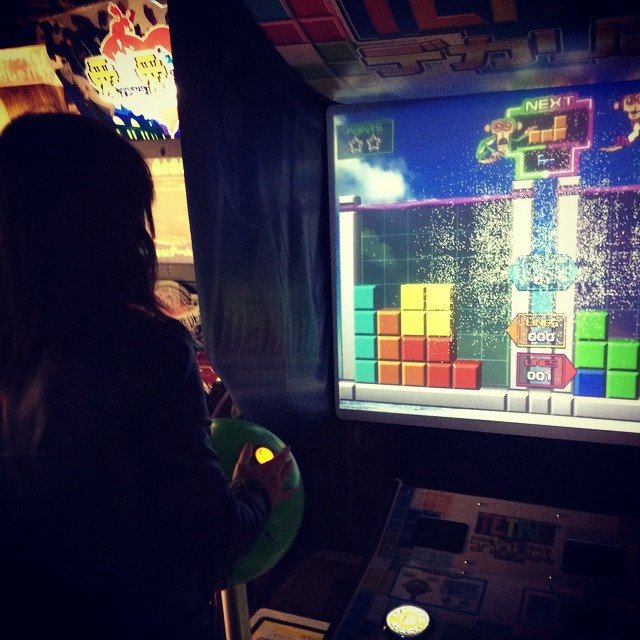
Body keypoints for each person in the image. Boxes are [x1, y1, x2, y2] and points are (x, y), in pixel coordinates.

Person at [0, 113, 293, 639]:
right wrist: (257, 490)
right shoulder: (146, 347)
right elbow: (212, 538)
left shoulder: (17, 344)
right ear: (109, 225)